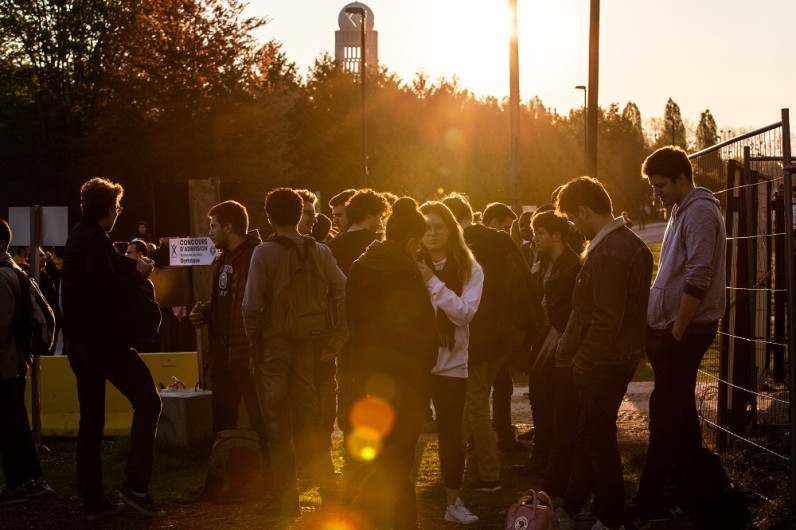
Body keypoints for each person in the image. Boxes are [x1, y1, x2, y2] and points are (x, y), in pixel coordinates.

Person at [628, 146, 726, 529]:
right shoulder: (679, 210)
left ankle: (649, 499)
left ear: (683, 178)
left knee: (664, 412)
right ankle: (694, 491)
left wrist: (676, 333)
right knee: (680, 413)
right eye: (653, 186)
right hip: (672, 328)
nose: (657, 193)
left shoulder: (700, 212)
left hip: (687, 329)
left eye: (661, 185)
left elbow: (699, 276)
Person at [61, 177, 164, 520]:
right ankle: (135, 487)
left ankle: (92, 500)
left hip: (78, 343)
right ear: (109, 209)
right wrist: (138, 275)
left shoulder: (78, 235)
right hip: (102, 342)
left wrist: (130, 265)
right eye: (117, 207)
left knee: (91, 421)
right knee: (148, 401)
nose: (118, 212)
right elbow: (106, 287)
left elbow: (101, 271)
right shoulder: (96, 239)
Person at [553, 177, 652, 530]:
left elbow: (605, 318)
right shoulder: (630, 243)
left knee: (599, 441)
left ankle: (611, 518)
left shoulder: (610, 251)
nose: (574, 226)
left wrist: (581, 360)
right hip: (617, 356)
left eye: (573, 218)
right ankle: (571, 506)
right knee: (591, 435)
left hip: (603, 361)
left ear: (584, 210)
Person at [242, 187, 348, 516]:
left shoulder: (264, 252)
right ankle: (328, 490)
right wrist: (339, 332)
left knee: (276, 425)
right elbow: (343, 287)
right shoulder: (318, 249)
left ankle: (287, 499)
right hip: (309, 343)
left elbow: (251, 305)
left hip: (273, 346)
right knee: (310, 423)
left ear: (269, 216)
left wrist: (253, 340)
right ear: (300, 212)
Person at [343, 197, 439, 529]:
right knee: (399, 458)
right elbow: (426, 329)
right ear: (412, 240)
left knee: (383, 455)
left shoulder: (361, 265)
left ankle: (377, 516)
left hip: (370, 378)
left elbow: (352, 324)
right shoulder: (406, 270)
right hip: (407, 380)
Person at [442, 192, 530, 491]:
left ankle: (489, 474)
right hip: (502, 336)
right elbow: (525, 279)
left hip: (475, 337)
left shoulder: (457, 246)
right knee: (473, 400)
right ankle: (459, 460)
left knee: (476, 403)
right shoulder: (500, 238)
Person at [188, 200, 270, 495]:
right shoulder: (223, 259)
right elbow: (227, 303)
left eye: (213, 226)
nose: (209, 232)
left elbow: (255, 306)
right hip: (223, 353)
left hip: (245, 354)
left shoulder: (253, 257)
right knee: (221, 418)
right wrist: (205, 312)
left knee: (260, 418)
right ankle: (219, 482)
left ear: (229, 227)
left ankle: (270, 482)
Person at [418, 201, 484, 525]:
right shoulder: (408, 263)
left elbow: (463, 312)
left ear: (451, 230)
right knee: (408, 431)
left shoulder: (469, 268)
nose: (431, 233)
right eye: (425, 227)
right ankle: (402, 497)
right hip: (415, 362)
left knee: (450, 436)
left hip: (452, 363)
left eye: (438, 227)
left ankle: (452, 502)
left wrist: (431, 280)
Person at [516, 212, 580, 487]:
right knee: (539, 399)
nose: (534, 238)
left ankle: (555, 462)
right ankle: (540, 457)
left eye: (540, 233)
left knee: (556, 403)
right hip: (542, 336)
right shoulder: (543, 262)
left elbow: (572, 309)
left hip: (560, 338)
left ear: (557, 235)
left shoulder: (573, 266)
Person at [0, 219, 56, 506]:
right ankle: (30, 478)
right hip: (17, 361)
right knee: (16, 423)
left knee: (9, 426)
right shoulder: (17, 272)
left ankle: (17, 484)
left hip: (5, 364)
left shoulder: (1, 276)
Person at [482, 201, 526, 452]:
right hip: (494, 330)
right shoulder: (496, 249)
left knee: (493, 385)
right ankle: (500, 434)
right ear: (496, 224)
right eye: (507, 226)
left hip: (490, 329)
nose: (509, 232)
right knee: (498, 384)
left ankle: (494, 432)